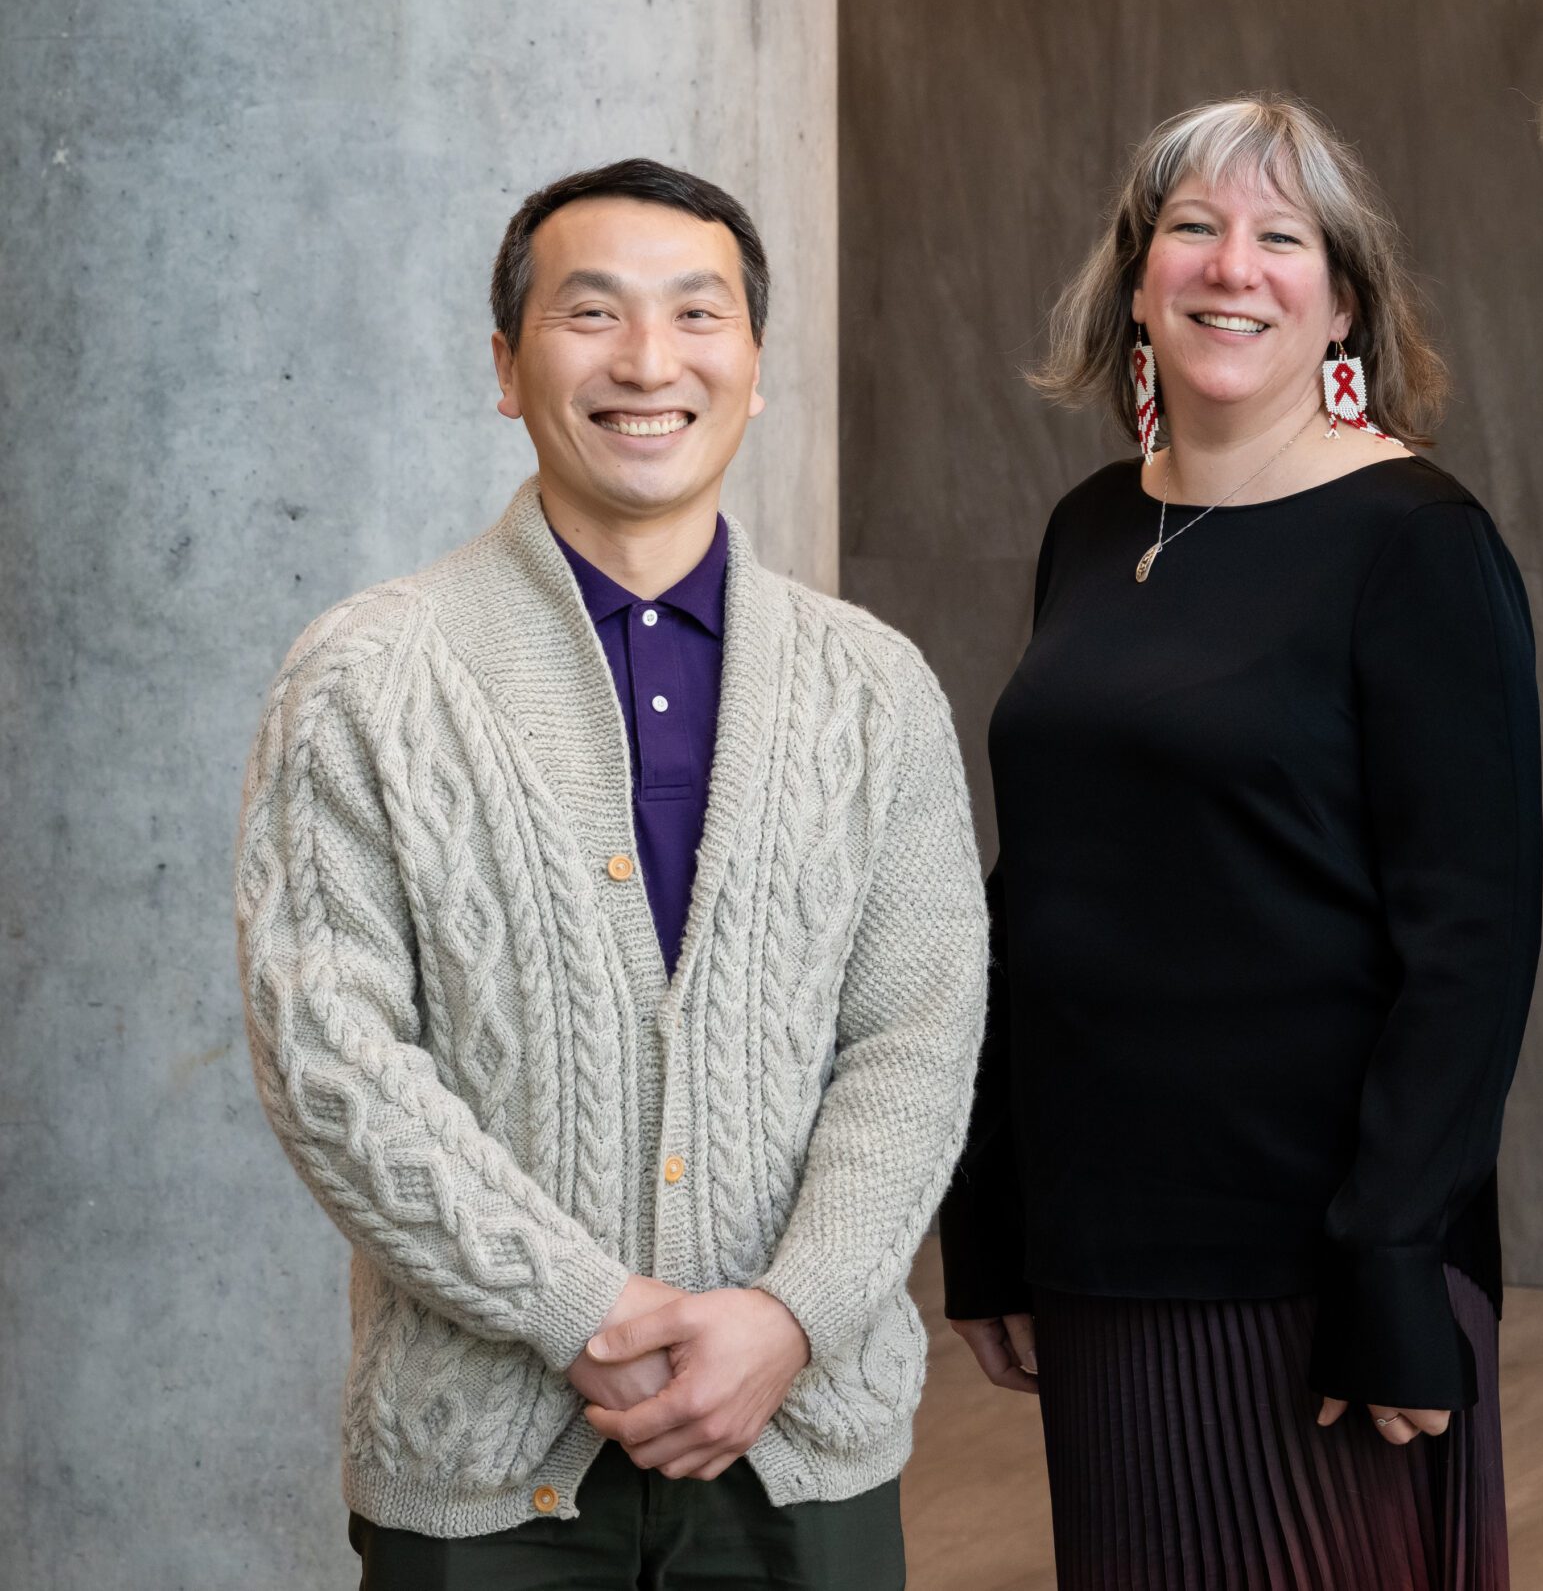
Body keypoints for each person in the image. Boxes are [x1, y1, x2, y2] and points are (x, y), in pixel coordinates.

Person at [234, 157, 986, 1588]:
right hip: (487, 1471)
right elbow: (331, 1058)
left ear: (756, 370)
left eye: (698, 316)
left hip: (801, 1443)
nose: (650, 361)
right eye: (592, 315)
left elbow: (917, 1035)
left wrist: (790, 1315)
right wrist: (588, 1309)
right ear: (508, 369)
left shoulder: (873, 687)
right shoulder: (369, 676)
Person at [936, 95, 1542, 1591]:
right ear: (1137, 279)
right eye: (1192, 229)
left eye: (1283, 237)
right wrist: (995, 1212)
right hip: (1108, 1248)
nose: (1232, 266)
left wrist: (1395, 1257)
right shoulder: (1092, 528)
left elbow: (1472, 939)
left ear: (1343, 298)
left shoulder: (1415, 539)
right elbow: (1044, 891)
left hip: (1317, 1269)